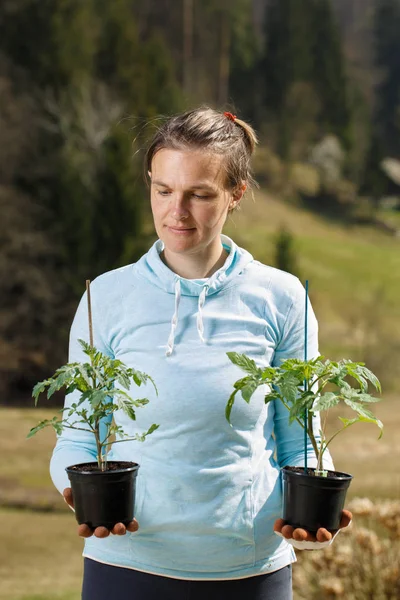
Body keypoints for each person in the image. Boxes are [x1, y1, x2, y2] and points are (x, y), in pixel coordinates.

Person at [50, 107, 351, 600]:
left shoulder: (283, 297)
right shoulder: (106, 296)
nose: (177, 212)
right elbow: (81, 433)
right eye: (163, 190)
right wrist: (77, 494)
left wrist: (309, 514)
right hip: (126, 565)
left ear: (236, 194)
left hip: (250, 570)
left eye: (200, 194)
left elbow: (301, 439)